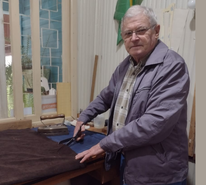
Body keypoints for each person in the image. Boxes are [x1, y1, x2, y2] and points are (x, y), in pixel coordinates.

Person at [74, 5, 190, 185]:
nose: (134, 38)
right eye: (128, 33)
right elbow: (106, 96)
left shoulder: (172, 66)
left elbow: (154, 123)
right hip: (129, 163)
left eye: (141, 30)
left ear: (156, 31)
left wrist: (105, 144)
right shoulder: (124, 67)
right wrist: (83, 118)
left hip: (159, 173)